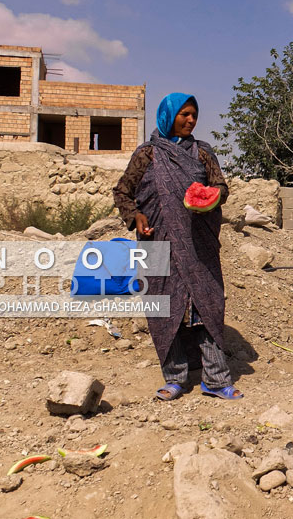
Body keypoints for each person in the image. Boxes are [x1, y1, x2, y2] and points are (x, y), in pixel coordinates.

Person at [113, 93, 242, 401]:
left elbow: (221, 187)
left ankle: (215, 379)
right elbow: (122, 191)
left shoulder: (202, 152)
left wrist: (212, 197)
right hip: (158, 242)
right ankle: (175, 378)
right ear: (168, 116)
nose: (191, 120)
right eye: (184, 114)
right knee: (164, 309)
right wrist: (136, 215)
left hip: (199, 245)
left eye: (194, 115)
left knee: (206, 307)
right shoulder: (148, 154)